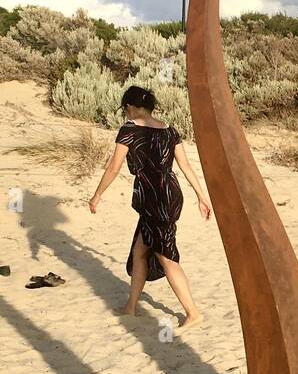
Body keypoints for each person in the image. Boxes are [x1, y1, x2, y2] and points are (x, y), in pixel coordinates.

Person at [89, 86, 211, 326]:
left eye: (125, 110)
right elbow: (185, 166)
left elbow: (114, 167)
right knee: (140, 251)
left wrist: (97, 195)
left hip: (153, 195)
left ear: (132, 108)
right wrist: (200, 196)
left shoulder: (129, 130)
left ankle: (192, 312)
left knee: (165, 255)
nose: (126, 114)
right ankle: (131, 307)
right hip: (170, 191)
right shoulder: (169, 130)